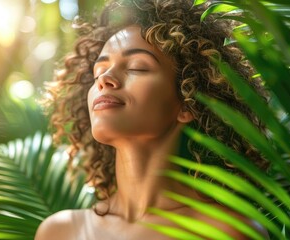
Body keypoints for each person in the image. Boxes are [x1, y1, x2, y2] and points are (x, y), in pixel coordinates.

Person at [36, 0, 269, 239]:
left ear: (188, 102)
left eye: (137, 67)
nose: (105, 79)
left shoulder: (227, 232)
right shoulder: (59, 231)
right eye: (99, 71)